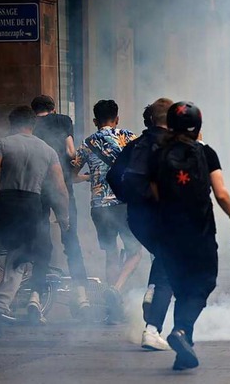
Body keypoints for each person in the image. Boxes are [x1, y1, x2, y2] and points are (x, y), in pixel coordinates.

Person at [150, 101, 230, 370]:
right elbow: (221, 193)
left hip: (168, 234)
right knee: (202, 285)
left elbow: (154, 193)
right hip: (200, 232)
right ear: (197, 126)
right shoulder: (206, 153)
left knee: (181, 288)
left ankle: (183, 352)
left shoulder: (158, 153)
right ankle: (181, 331)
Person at [0, 106, 69, 337]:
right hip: (32, 209)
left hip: (5, 204)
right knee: (18, 263)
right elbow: (60, 189)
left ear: (11, 123)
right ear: (32, 124)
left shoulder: (2, 144)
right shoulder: (48, 150)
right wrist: (63, 218)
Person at [111, 98, 174, 350]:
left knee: (161, 255)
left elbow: (112, 175)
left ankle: (151, 290)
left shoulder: (135, 145)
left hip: (137, 218)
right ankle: (152, 330)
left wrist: (128, 198)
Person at [71, 99, 142, 323]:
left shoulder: (86, 144)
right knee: (135, 251)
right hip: (125, 204)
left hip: (100, 206)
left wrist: (91, 177)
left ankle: (112, 312)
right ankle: (117, 289)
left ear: (95, 120)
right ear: (117, 118)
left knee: (111, 254)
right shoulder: (130, 138)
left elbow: (72, 176)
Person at [29, 94, 90, 323]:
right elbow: (71, 151)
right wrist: (77, 166)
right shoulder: (62, 120)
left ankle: (35, 297)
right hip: (62, 187)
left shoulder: (30, 125)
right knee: (71, 240)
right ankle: (82, 297)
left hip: (36, 189)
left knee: (41, 243)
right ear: (53, 108)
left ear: (34, 111)